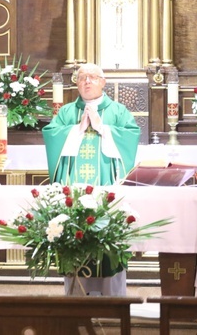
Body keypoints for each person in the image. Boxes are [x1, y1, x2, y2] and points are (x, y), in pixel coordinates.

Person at [42, 63, 140, 295]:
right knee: (73, 232)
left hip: (105, 186)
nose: (87, 81)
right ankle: (75, 295)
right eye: (82, 77)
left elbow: (131, 135)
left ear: (103, 82)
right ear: (76, 83)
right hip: (73, 191)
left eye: (93, 77)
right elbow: (51, 135)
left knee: (108, 234)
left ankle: (114, 298)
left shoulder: (117, 111)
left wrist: (103, 128)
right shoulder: (67, 112)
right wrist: (76, 130)